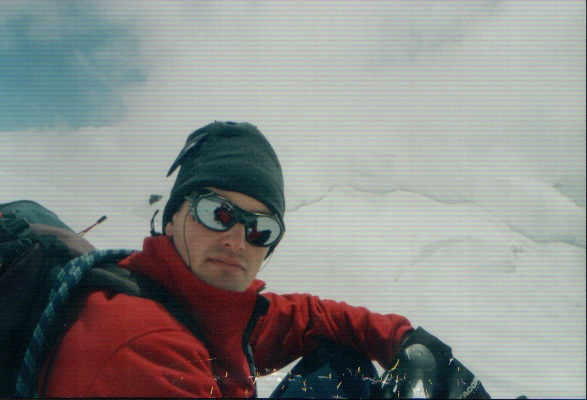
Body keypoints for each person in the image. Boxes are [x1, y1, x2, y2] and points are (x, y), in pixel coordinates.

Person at [40, 121, 488, 398]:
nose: (238, 240)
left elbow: (308, 317)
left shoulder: (204, 305)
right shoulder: (143, 351)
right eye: (218, 213)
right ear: (173, 217)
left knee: (342, 357)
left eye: (260, 228)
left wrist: (407, 342)